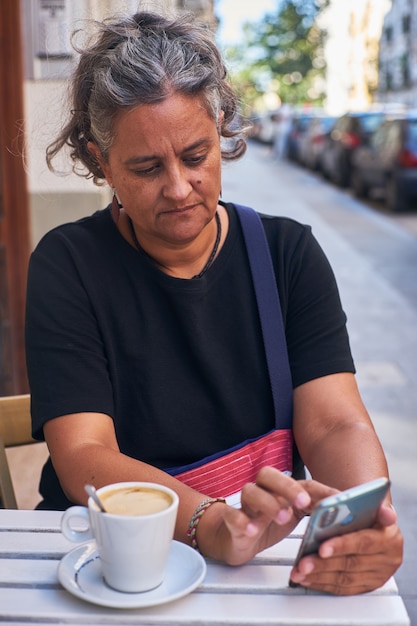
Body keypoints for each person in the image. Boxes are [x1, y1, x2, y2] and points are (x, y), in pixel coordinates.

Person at [25, 8, 402, 595]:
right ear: (101, 163)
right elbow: (83, 454)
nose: (178, 188)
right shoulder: (69, 265)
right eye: (146, 168)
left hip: (262, 564)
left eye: (196, 156)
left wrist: (359, 522)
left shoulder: (287, 255)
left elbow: (333, 422)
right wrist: (209, 523)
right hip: (113, 566)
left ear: (221, 128)